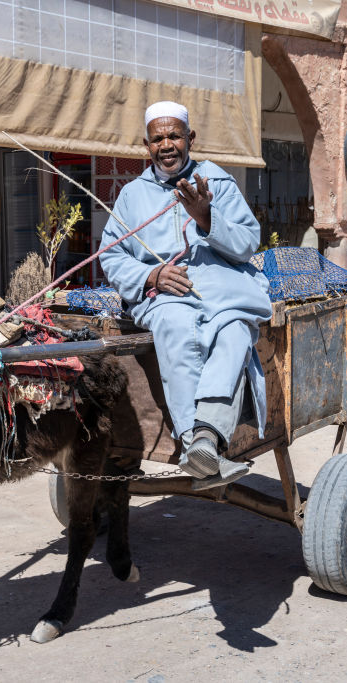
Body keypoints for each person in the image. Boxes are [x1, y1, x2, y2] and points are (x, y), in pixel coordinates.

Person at [98, 101, 272, 489]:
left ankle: (207, 439)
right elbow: (111, 254)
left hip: (222, 292)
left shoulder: (217, 182)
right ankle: (194, 442)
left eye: (175, 135)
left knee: (235, 332)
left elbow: (247, 244)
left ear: (190, 138)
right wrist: (152, 275)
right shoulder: (132, 195)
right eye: (158, 138)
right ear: (147, 145)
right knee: (174, 323)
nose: (167, 145)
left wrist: (207, 217)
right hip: (164, 297)